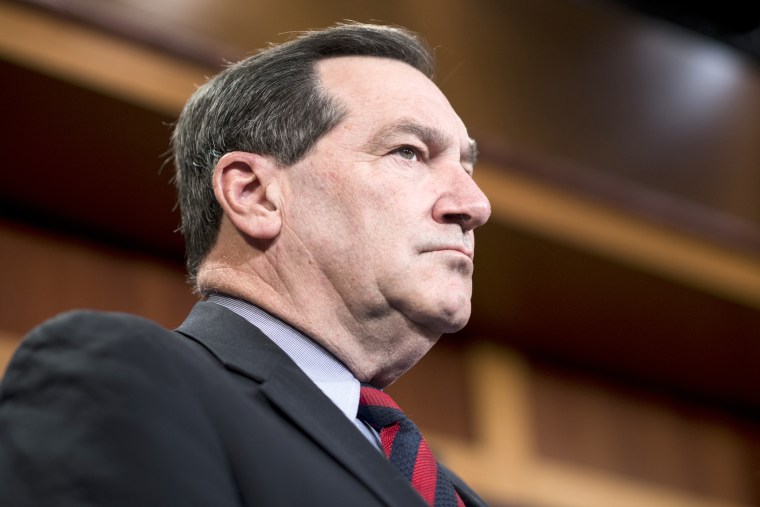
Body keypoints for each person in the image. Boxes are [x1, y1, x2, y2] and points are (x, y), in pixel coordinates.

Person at [0, 22, 491, 506]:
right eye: (408, 151)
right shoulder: (116, 379)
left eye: (466, 168)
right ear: (254, 194)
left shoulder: (450, 491)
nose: (474, 204)